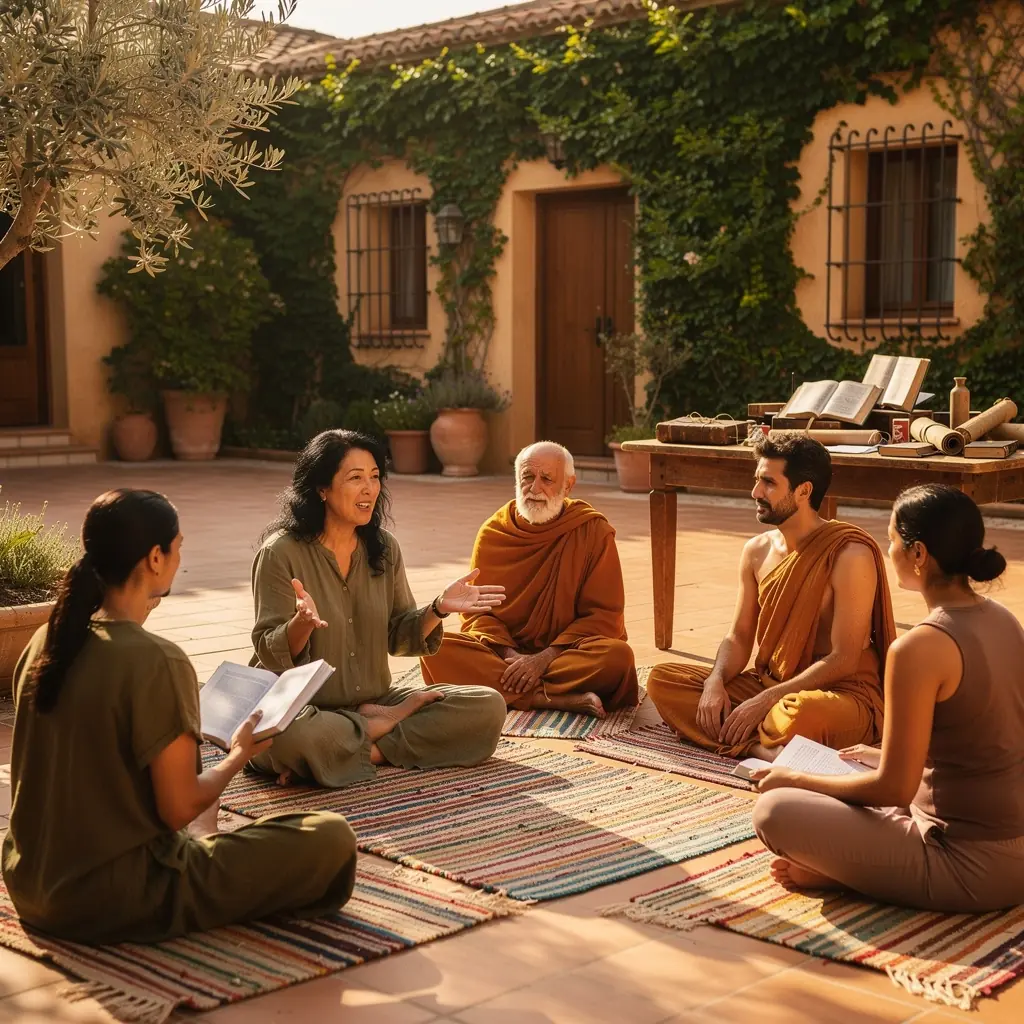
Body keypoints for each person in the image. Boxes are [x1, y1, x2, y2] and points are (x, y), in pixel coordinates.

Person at [2, 489, 357, 944]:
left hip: (30, 884)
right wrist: (238, 754)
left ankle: (206, 846)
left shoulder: (43, 642)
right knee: (330, 837)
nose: (179, 556)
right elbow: (178, 808)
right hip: (114, 897)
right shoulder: (157, 660)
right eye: (179, 546)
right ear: (155, 558)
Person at [753, 484, 1024, 912]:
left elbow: (894, 787)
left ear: (918, 554)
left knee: (774, 810)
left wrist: (796, 779)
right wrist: (881, 755)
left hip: (968, 865)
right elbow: (980, 749)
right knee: (857, 770)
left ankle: (853, 876)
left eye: (892, 539)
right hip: (1012, 848)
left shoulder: (918, 648)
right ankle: (858, 865)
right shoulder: (1005, 620)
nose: (888, 549)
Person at [249, 429, 508, 788]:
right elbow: (269, 651)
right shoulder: (280, 553)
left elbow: (399, 635)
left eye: (374, 477)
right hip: (303, 709)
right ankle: (344, 742)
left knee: (487, 706)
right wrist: (301, 625)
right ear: (321, 488)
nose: (370, 489)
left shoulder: (384, 548)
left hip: (376, 700)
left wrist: (438, 608)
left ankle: (340, 754)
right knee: (285, 736)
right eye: (355, 478)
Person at [648, 432, 895, 759]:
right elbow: (738, 636)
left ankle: (754, 743)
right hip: (771, 684)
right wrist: (714, 681)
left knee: (797, 716)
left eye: (768, 483)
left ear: (803, 491)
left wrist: (765, 702)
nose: (755, 492)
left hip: (839, 694)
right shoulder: (756, 551)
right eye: (756, 480)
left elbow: (845, 658)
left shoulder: (850, 554)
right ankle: (766, 749)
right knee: (663, 681)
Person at [421, 441, 638, 718]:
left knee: (617, 658)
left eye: (547, 479)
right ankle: (551, 698)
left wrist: (542, 660)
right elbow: (479, 614)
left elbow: (605, 616)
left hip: (565, 654)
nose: (535, 488)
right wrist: (513, 657)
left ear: (568, 486)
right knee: (434, 648)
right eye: (527, 477)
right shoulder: (494, 533)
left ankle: (513, 690)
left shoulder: (593, 531)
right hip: (505, 654)